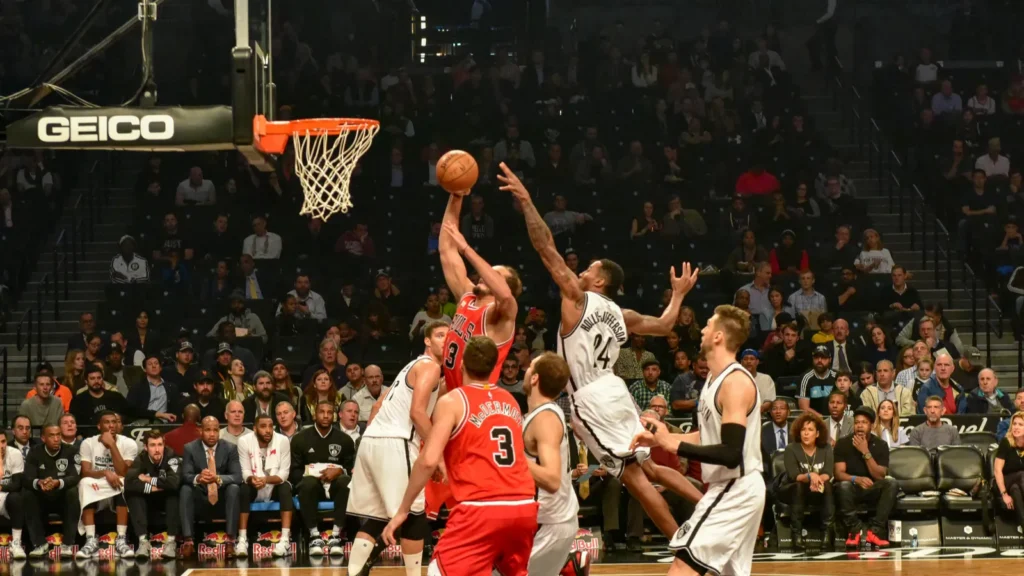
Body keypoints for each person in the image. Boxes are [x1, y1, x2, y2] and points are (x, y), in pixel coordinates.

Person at [500, 163, 703, 542]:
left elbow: (545, 247)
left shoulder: (577, 299)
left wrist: (527, 202)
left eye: (589, 267)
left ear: (600, 280)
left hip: (591, 398)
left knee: (635, 479)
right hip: (616, 390)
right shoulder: (621, 314)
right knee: (654, 470)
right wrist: (677, 296)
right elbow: (663, 326)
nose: (581, 269)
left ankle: (685, 546)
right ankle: (711, 509)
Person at [381, 337, 538, 575]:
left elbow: (428, 460)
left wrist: (403, 509)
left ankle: (569, 566)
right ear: (495, 366)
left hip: (482, 507)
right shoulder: (511, 402)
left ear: (462, 364)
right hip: (524, 506)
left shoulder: (454, 400)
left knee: (437, 571)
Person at [631, 304, 764, 576]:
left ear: (718, 337)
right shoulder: (714, 380)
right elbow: (709, 436)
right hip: (731, 487)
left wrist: (674, 445)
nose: (702, 329)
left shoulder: (735, 382)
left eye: (708, 324)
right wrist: (662, 439)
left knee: (683, 567)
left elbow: (730, 453)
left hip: (735, 487)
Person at [344, 320, 448, 573]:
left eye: (450, 337)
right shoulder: (429, 366)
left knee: (376, 518)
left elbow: (379, 406)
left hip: (371, 440)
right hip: (395, 440)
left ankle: (354, 572)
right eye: (440, 335)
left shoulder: (408, 368)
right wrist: (438, 456)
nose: (446, 340)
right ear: (426, 340)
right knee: (413, 515)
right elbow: (417, 413)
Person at [436, 177, 520, 394]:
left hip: (477, 397)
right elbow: (446, 249)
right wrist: (456, 195)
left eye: (494, 274)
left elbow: (506, 297)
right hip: (453, 391)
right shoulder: (467, 296)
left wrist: (466, 249)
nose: (485, 275)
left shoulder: (500, 314)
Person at [520, 353, 580, 575]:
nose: (525, 369)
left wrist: (513, 459)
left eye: (530, 366)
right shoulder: (538, 415)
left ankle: (573, 566)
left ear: (535, 378)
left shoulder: (545, 419)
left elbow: (552, 479)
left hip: (549, 524)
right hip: (547, 522)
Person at [291, 400, 357, 557]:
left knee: (346, 482)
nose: (326, 415)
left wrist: (339, 470)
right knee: (307, 484)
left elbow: (351, 470)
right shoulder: (300, 439)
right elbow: (294, 472)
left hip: (336, 486)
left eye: (329, 412)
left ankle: (335, 536)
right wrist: (316, 472)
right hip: (314, 486)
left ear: (334, 416)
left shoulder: (345, 440)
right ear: (315, 414)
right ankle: (314, 536)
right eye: (322, 412)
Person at [76, 411, 138, 559]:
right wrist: (105, 472)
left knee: (124, 482)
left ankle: (121, 539)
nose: (112, 425)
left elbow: (123, 472)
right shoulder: (88, 443)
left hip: (117, 484)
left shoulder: (129, 443)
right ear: (99, 426)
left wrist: (111, 445)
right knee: (84, 483)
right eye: (107, 422)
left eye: (114, 422)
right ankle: (90, 539)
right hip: (97, 484)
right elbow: (85, 472)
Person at [179, 417, 243, 559]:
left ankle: (230, 541)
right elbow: (185, 475)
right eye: (208, 430)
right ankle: (188, 542)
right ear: (200, 431)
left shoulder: (230, 448)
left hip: (222, 499)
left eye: (215, 430)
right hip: (200, 498)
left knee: (234, 488)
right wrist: (198, 478)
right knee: (185, 489)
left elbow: (237, 476)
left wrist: (217, 478)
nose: (212, 434)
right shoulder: (190, 448)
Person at [833, 406, 897, 548]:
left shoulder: (881, 445)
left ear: (872, 425)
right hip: (852, 488)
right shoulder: (843, 444)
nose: (860, 426)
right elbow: (838, 473)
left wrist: (865, 451)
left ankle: (875, 531)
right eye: (857, 422)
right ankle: (854, 530)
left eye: (864, 422)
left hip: (872, 487)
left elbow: (880, 476)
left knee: (891, 484)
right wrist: (856, 479)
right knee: (843, 485)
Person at [236, 414, 294, 557]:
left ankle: (285, 539)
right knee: (242, 489)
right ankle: (242, 539)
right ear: (254, 429)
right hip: (255, 486)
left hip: (274, 484)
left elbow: (284, 474)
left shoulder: (283, 440)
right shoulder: (244, 441)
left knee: (286, 487)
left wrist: (266, 480)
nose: (268, 430)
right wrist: (251, 479)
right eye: (263, 426)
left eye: (270, 426)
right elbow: (245, 471)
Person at [23, 425, 81, 559]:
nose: (56, 439)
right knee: (28, 494)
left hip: (62, 496)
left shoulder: (71, 451)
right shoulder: (34, 452)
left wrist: (57, 483)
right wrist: (39, 482)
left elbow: (75, 476)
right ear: (43, 438)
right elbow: (27, 478)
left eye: (58, 435)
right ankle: (39, 544)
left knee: (72, 491)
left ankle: (68, 544)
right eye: (52, 435)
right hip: (42, 496)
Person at [781, 412, 834, 550]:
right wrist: (811, 476)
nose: (806, 433)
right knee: (798, 486)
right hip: (793, 489)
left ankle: (826, 534)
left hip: (817, 488)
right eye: (803, 430)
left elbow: (828, 473)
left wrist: (817, 479)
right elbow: (794, 475)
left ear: (817, 434)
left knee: (827, 485)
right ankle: (796, 534)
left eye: (810, 430)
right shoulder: (791, 448)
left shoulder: (826, 448)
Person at [125, 429, 181, 559]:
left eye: (160, 445)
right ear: (145, 447)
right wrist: (152, 488)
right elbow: (129, 484)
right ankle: (143, 542)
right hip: (148, 498)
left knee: (174, 494)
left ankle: (171, 542)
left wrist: (149, 479)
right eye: (152, 445)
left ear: (164, 445)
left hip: (166, 498)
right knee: (133, 496)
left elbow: (174, 483)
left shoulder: (171, 456)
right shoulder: (141, 459)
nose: (157, 449)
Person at [70, 365, 131, 434]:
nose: (96, 381)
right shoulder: (78, 400)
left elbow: (130, 414)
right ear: (86, 381)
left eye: (99, 378)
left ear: (102, 379)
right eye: (92, 378)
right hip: (89, 438)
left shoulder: (115, 396)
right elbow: (74, 423)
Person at [994, 411, 1024, 531]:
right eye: (1014, 424)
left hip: (1018, 485)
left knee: (1016, 489)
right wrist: (1004, 494)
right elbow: (997, 470)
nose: (1016, 427)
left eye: (1021, 424)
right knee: (1022, 475)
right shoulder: (1006, 442)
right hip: (1003, 482)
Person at [0, 433, 28, 559]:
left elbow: (17, 484)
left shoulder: (15, 454)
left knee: (16, 497)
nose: (1, 446)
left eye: (3, 441)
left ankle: (16, 543)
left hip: (7, 496)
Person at [798, 345, 837, 418]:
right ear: (813, 359)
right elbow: (803, 407)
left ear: (830, 360)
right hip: (813, 419)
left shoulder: (836, 377)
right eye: (816, 357)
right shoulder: (806, 377)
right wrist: (821, 418)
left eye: (823, 358)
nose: (819, 360)